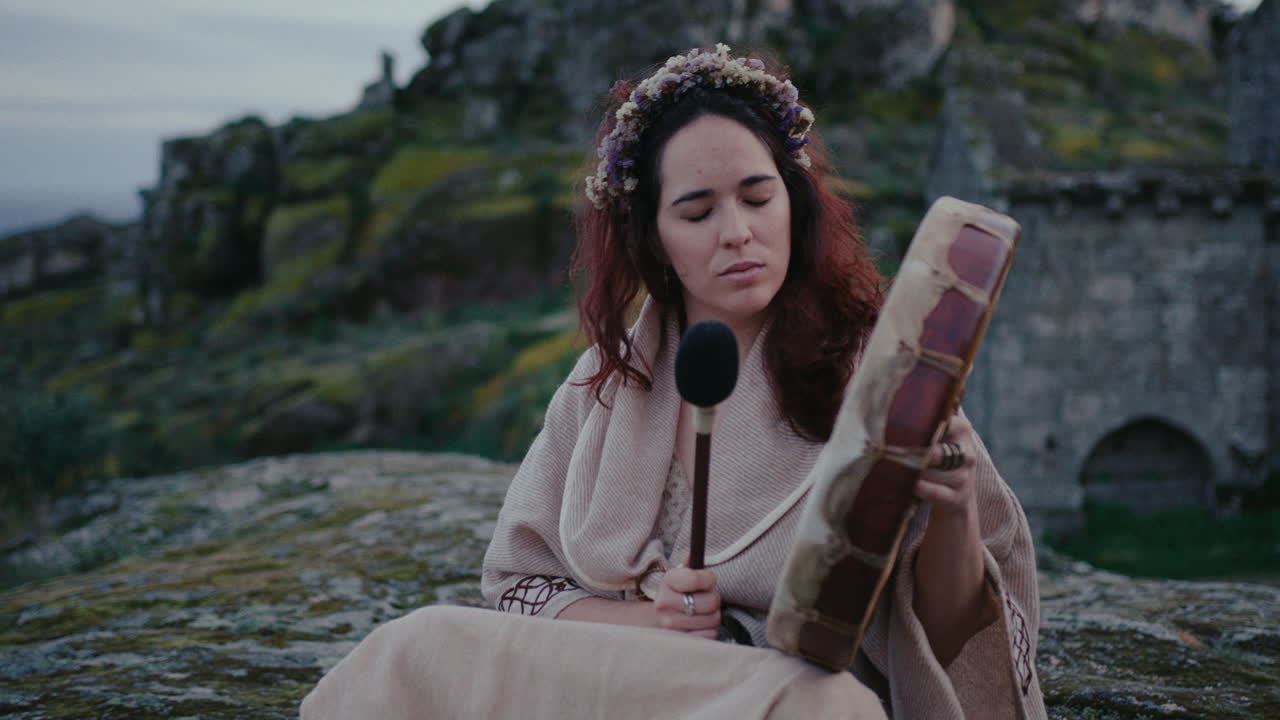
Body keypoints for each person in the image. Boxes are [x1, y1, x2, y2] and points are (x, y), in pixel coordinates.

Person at [301, 44, 1047, 720]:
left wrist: (951, 513)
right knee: (417, 644)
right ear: (654, 237)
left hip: (773, 695)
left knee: (827, 705)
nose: (737, 232)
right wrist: (651, 621)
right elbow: (521, 590)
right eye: (697, 211)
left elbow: (955, 638)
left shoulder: (884, 374)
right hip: (628, 682)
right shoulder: (607, 376)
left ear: (796, 201)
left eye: (758, 199)